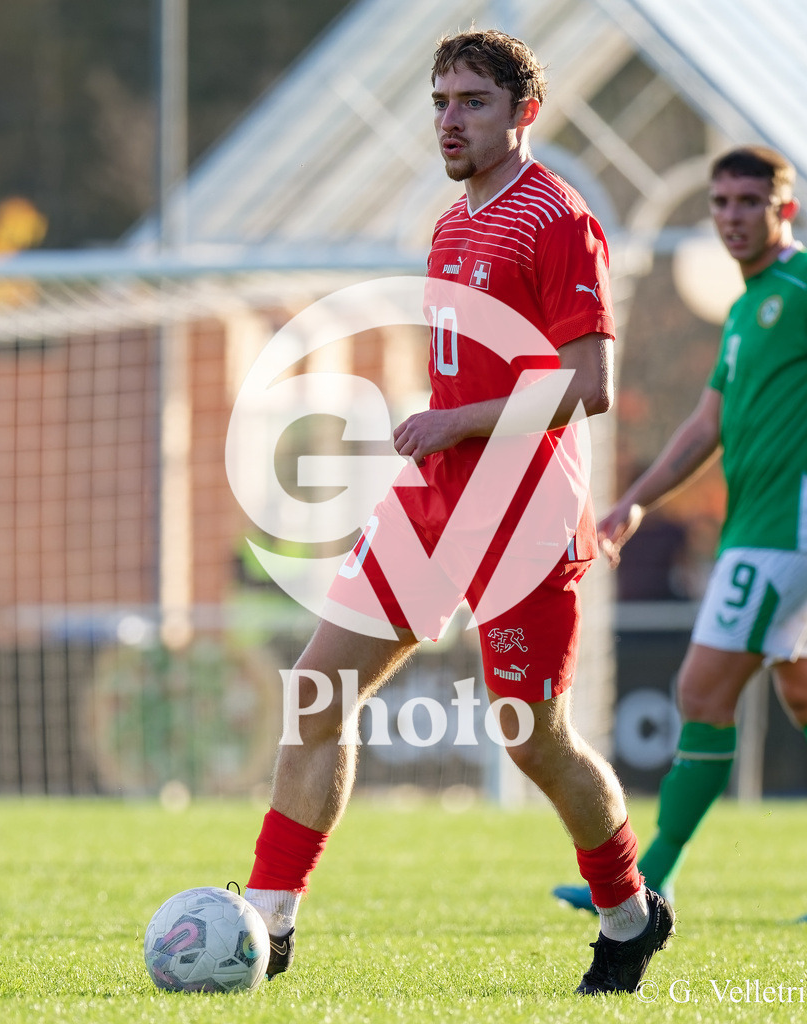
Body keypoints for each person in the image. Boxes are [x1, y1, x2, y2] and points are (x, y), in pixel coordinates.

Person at [243, 29, 674, 995]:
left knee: (531, 736)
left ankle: (627, 913)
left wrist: (455, 423)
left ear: (523, 112)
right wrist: (429, 446)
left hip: (520, 518)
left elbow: (588, 383)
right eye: (439, 101)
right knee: (316, 690)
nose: (449, 118)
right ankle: (266, 923)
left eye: (472, 101)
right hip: (430, 506)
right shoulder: (452, 219)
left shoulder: (555, 218)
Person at [553, 145, 807, 921]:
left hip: (785, 532)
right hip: (758, 526)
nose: (731, 217)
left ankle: (649, 875)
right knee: (805, 694)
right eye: (720, 203)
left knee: (701, 690)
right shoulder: (744, 307)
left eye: (748, 202)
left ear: (784, 209)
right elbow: (707, 423)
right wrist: (633, 500)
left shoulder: (804, 287)